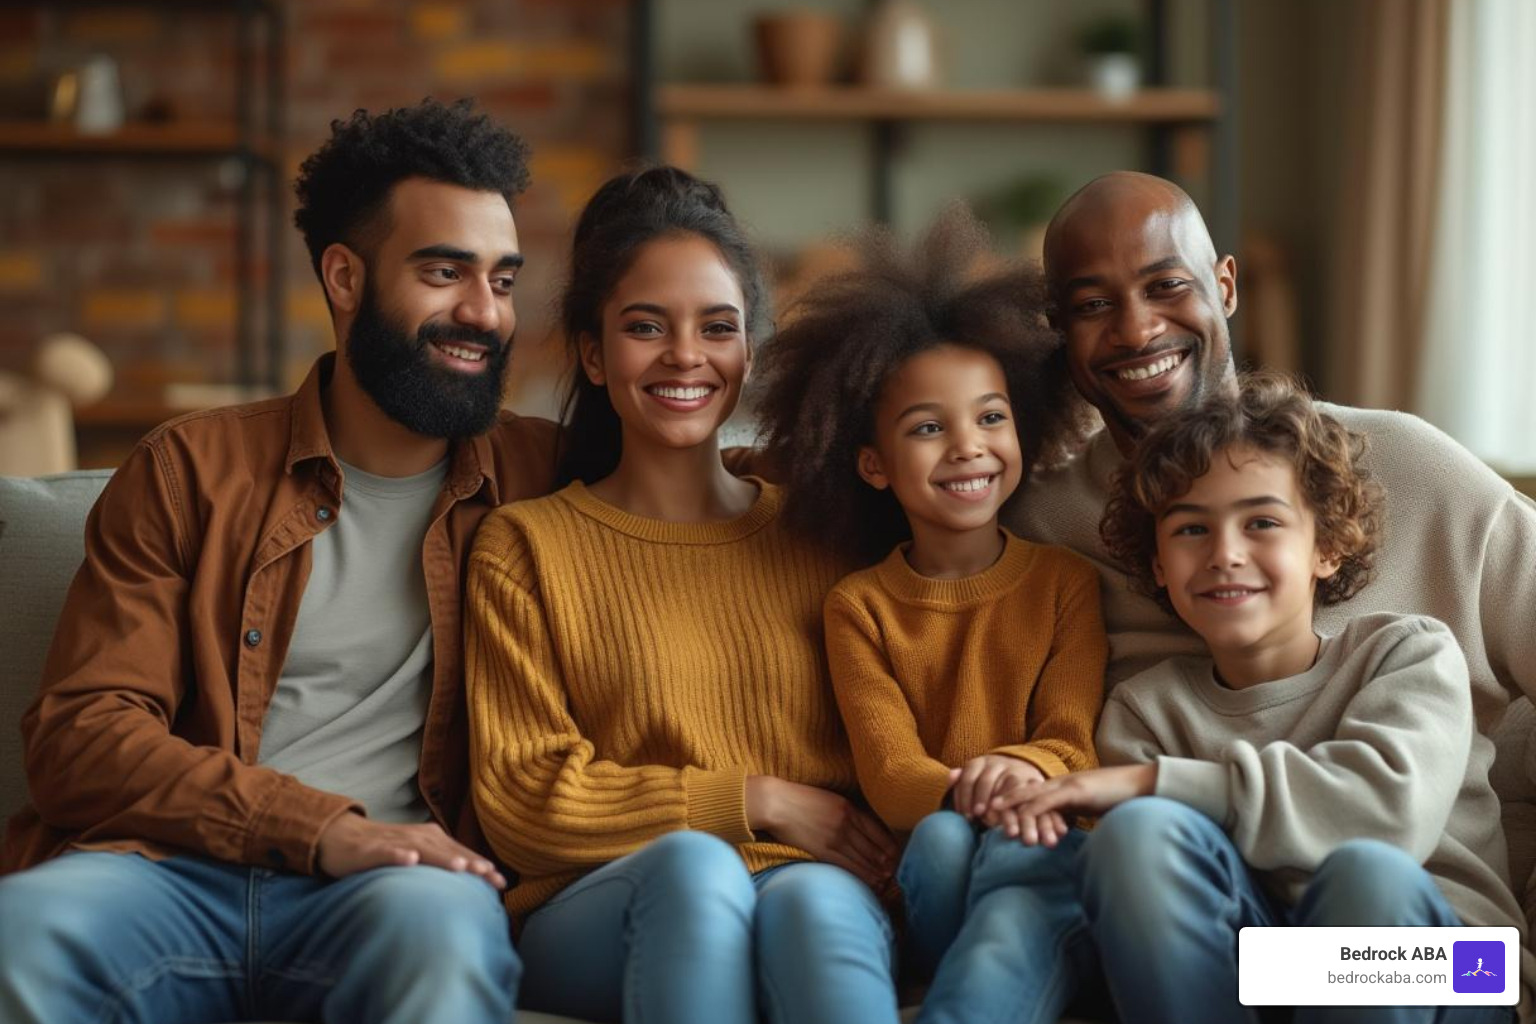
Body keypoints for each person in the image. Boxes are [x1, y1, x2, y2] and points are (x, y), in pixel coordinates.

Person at [0, 99, 549, 1024]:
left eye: (502, 279)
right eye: (444, 272)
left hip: (400, 891)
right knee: (20, 933)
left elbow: (713, 485)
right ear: (343, 275)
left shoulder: (544, 474)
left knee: (447, 942)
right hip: (171, 875)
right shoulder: (189, 470)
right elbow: (81, 737)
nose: (482, 312)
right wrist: (316, 827)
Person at [464, 165, 904, 1024]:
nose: (685, 356)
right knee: (697, 869)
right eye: (644, 327)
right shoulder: (526, 549)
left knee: (815, 907)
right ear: (593, 353)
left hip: (808, 884)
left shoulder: (825, 535)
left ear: (751, 350)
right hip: (598, 903)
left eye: (717, 327)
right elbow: (522, 798)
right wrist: (753, 800)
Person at [999, 372, 1522, 1024]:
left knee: (1364, 876)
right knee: (1137, 832)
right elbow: (1159, 917)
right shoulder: (1145, 713)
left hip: (1457, 967)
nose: (1225, 554)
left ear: (1327, 546)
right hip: (1263, 976)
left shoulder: (1410, 655)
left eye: (1263, 522)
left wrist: (1156, 783)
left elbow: (1381, 822)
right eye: (1191, 530)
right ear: (1159, 565)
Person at [1005, 171, 1536, 720]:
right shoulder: (1037, 531)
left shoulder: (1408, 464)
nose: (1137, 331)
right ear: (1058, 327)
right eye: (1093, 305)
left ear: (1226, 288)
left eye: (1167, 286)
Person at [753, 205, 1107, 1023]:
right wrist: (973, 791)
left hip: (1040, 841)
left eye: (990, 417)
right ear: (873, 465)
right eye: (926, 428)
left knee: (999, 845)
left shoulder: (1063, 582)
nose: (968, 447)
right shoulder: (861, 607)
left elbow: (1069, 740)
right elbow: (893, 777)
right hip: (934, 864)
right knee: (946, 842)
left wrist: (1018, 771)